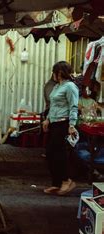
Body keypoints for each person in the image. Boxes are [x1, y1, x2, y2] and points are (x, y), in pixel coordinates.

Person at [42, 61, 79, 196]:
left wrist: (72, 125)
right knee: (50, 153)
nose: (53, 75)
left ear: (60, 72)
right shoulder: (57, 86)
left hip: (63, 124)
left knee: (60, 154)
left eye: (55, 72)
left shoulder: (70, 87)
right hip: (54, 123)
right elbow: (53, 105)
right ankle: (56, 183)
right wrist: (47, 119)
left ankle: (66, 181)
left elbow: (73, 106)